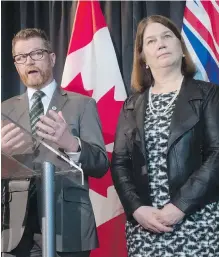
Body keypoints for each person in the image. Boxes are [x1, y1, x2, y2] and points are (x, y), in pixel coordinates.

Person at [111, 15, 219, 257]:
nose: (160, 44)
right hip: (145, 227)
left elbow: (217, 154)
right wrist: (136, 208)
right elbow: (119, 163)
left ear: (181, 48)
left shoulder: (209, 94)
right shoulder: (131, 105)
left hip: (198, 223)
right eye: (151, 41)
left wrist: (179, 206)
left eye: (167, 37)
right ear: (143, 58)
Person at [1, 28, 109, 257]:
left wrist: (72, 144)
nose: (29, 61)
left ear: (52, 57)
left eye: (37, 53)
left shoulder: (82, 105)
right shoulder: (4, 110)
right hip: (16, 230)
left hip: (68, 226)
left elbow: (100, 165)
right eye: (21, 57)